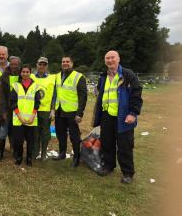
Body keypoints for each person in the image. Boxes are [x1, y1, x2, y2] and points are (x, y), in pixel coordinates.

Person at [93, 50, 143, 184]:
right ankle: (108, 166)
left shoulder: (128, 75)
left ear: (118, 59)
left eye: (112, 58)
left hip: (123, 117)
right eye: (107, 58)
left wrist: (133, 113)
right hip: (107, 115)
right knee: (107, 143)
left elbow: (136, 95)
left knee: (124, 146)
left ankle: (127, 173)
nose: (110, 60)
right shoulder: (103, 76)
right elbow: (101, 93)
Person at [53, 56, 87, 167]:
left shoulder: (78, 77)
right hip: (59, 110)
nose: (65, 63)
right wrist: (53, 108)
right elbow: (55, 93)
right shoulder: (57, 76)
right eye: (63, 61)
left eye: (67, 61)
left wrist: (79, 113)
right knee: (60, 134)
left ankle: (76, 157)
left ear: (72, 63)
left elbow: (83, 96)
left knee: (74, 136)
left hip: (72, 111)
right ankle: (62, 153)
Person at [10, 65, 41, 166]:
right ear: (20, 73)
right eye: (23, 72)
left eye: (27, 72)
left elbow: (37, 102)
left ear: (30, 73)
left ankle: (28, 158)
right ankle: (19, 157)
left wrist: (32, 116)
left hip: (31, 119)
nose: (25, 74)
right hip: (18, 119)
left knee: (30, 141)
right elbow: (13, 102)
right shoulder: (16, 85)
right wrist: (19, 116)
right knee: (18, 141)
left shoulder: (36, 86)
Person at [30, 57, 56, 161]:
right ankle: (35, 152)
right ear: (37, 65)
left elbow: (54, 94)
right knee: (35, 132)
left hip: (46, 110)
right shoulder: (31, 76)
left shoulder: (52, 78)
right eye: (40, 64)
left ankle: (44, 152)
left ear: (47, 66)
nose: (42, 66)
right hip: (33, 110)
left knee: (45, 132)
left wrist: (53, 109)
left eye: (44, 64)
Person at [0, 56, 20, 161]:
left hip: (18, 109)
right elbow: (2, 96)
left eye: (16, 64)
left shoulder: (22, 76)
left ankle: (15, 151)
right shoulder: (3, 76)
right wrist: (3, 111)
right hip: (6, 109)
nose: (14, 66)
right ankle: (0, 153)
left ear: (19, 64)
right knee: (3, 131)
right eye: (12, 64)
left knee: (15, 132)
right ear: (9, 64)